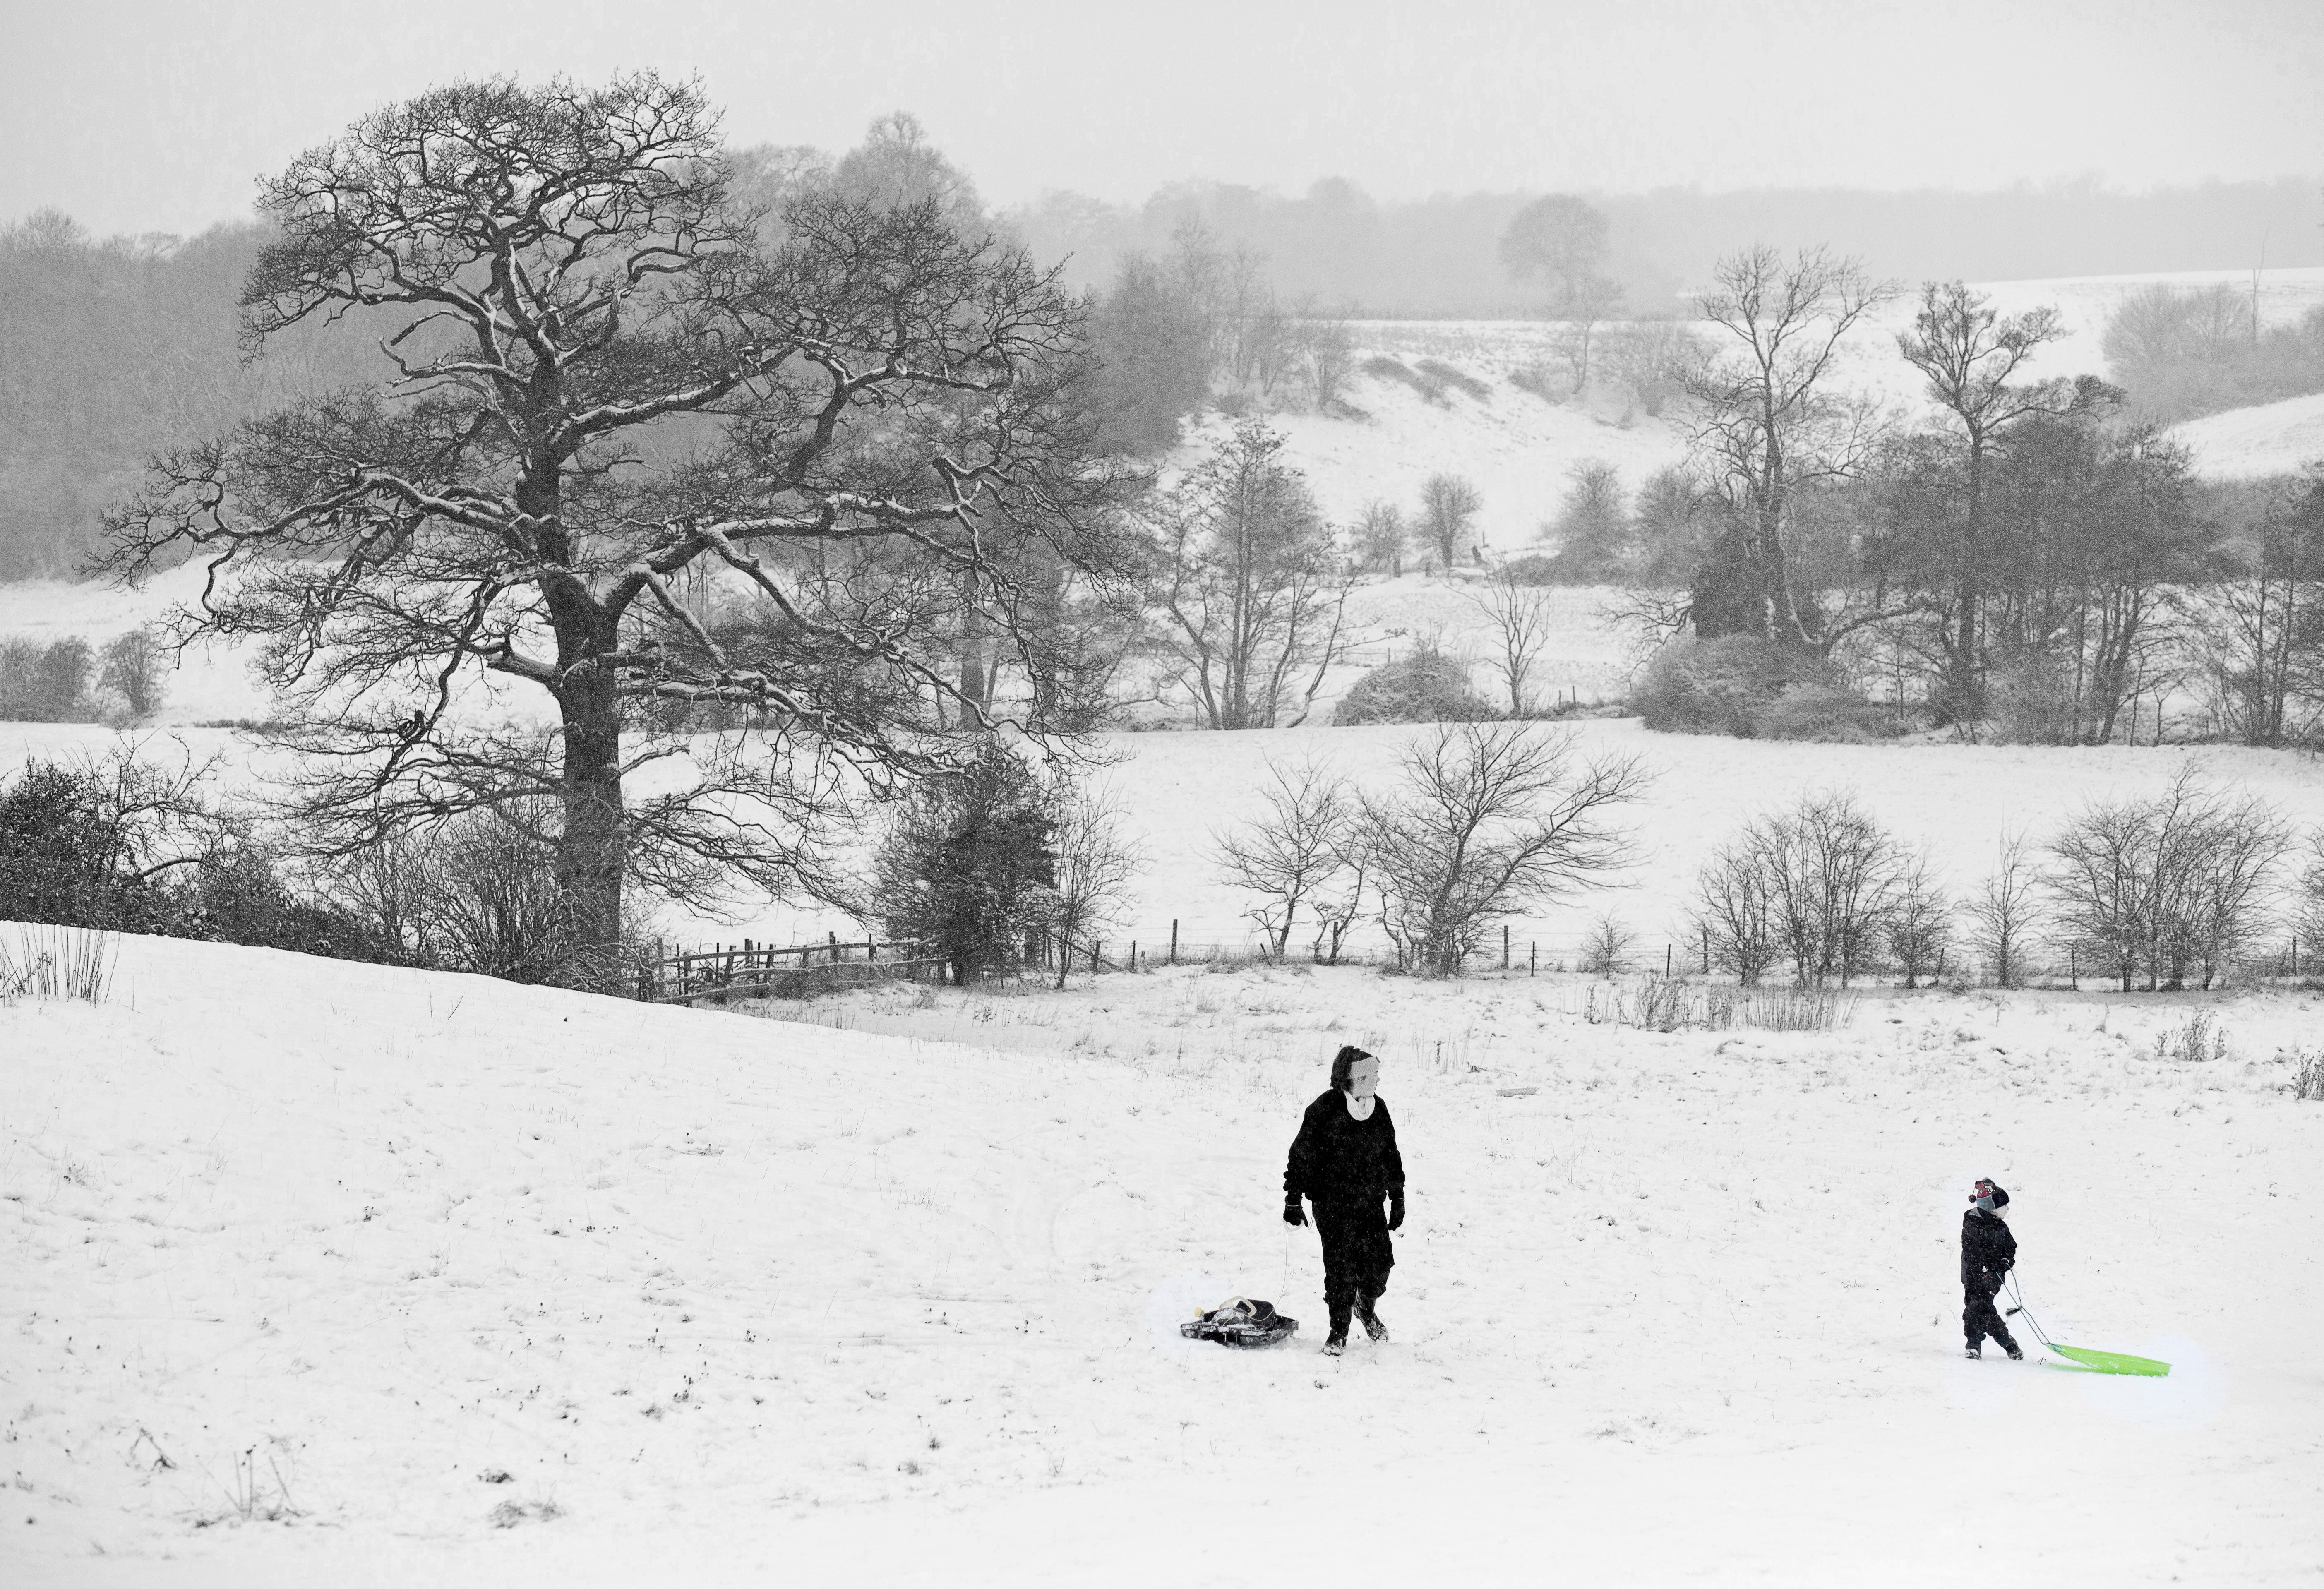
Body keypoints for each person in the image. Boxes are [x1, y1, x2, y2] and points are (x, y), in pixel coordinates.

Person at [1284, 1044, 1405, 1356]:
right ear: (1355, 1078)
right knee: (1341, 1271)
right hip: (1332, 1205)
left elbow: (1391, 1155)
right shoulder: (1324, 1110)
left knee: (1379, 1266)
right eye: (1372, 1074)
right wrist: (1293, 1200)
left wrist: (1398, 1195)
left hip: (1369, 1204)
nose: (1378, 1079)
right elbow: (1300, 1157)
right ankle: (1338, 1332)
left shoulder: (1379, 1110)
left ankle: (1365, 1308)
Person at [1961, 1178, 2022, 1360]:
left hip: (1993, 1277)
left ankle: (1973, 1345)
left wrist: (2005, 1261)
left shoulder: (2001, 1226)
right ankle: (2008, 1343)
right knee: (1984, 1310)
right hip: (1973, 1273)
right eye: (2005, 1206)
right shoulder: (1972, 1223)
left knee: (1977, 1308)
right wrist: (1989, 1263)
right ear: (1993, 1207)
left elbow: (2011, 1247)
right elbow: (1974, 1250)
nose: (2008, 1209)